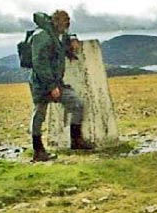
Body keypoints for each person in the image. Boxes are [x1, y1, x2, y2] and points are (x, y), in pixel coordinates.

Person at [29, 10, 93, 162]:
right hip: (42, 84)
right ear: (57, 21)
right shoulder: (42, 36)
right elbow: (40, 63)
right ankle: (38, 150)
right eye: (66, 22)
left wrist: (72, 38)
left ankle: (76, 141)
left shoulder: (57, 34)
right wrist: (51, 86)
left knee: (77, 105)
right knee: (39, 114)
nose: (68, 25)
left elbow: (67, 36)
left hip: (56, 83)